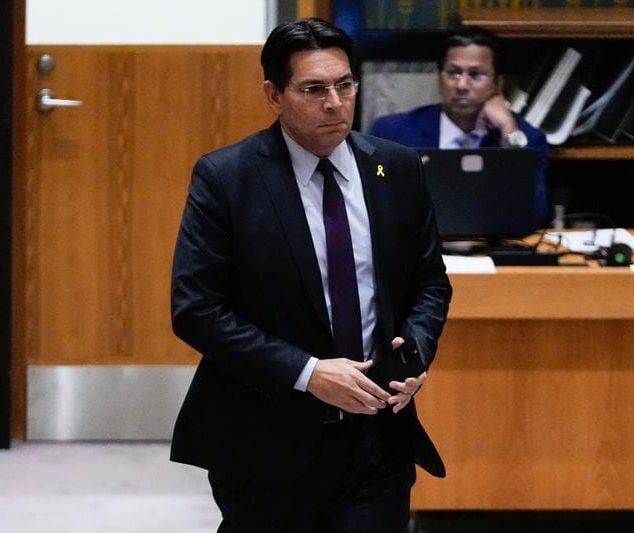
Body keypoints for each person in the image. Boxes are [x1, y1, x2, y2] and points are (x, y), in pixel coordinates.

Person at [170, 18, 452, 533]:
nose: (334, 103)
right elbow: (197, 310)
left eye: (345, 85)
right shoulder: (227, 178)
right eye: (314, 89)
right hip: (266, 434)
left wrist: (411, 354)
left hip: (376, 434)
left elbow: (430, 282)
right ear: (274, 96)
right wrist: (308, 372)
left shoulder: (396, 168)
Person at [368, 26, 551, 227]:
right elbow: (374, 208)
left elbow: (535, 215)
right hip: (416, 251)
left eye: (476, 74)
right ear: (440, 79)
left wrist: (508, 130)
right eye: (454, 73)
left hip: (493, 252)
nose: (462, 85)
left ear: (497, 84)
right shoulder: (392, 133)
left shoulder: (528, 139)